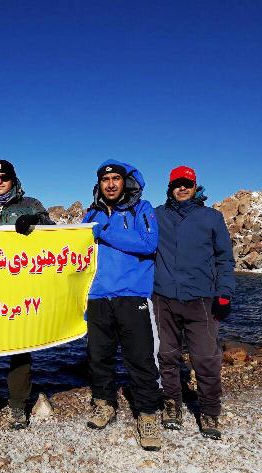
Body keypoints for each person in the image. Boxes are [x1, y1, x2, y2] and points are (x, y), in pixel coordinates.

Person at [0, 159, 54, 429]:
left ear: (13, 179)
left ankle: (17, 405)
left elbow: (54, 232)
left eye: (5, 177)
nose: (0, 181)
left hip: (20, 287)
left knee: (20, 347)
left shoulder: (31, 205)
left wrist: (37, 221)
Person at [82, 160, 162, 451]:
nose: (111, 184)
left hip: (133, 296)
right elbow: (73, 250)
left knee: (140, 357)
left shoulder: (143, 209)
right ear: (99, 184)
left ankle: (148, 413)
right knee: (98, 357)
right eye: (106, 180)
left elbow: (148, 243)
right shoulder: (90, 214)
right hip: (98, 297)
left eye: (116, 179)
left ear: (125, 182)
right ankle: (104, 404)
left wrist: (104, 232)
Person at [153, 165, 235, 440]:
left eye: (187, 183)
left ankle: (210, 410)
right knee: (167, 355)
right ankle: (172, 403)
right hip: (164, 297)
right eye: (177, 183)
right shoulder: (157, 215)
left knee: (206, 358)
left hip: (201, 299)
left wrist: (225, 292)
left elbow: (225, 257)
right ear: (170, 187)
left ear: (195, 185)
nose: (182, 188)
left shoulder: (211, 217)